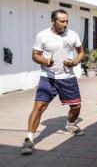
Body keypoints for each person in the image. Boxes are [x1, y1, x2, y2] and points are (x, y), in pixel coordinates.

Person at [21, 9, 85, 155]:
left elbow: (81, 51)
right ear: (54, 21)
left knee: (76, 107)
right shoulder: (42, 35)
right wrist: (44, 60)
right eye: (62, 21)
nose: (65, 24)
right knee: (39, 107)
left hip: (67, 78)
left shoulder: (73, 35)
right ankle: (28, 140)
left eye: (67, 21)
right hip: (48, 77)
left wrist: (75, 61)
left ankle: (70, 125)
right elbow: (35, 55)